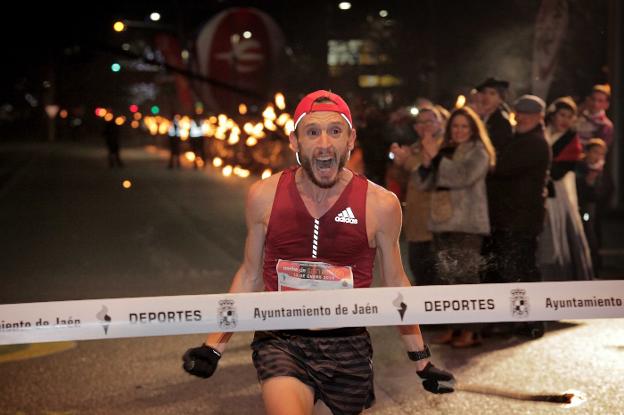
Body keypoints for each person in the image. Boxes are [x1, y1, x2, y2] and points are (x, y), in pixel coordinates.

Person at [182, 90, 455, 415]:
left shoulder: (380, 204)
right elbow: (250, 274)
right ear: (295, 141)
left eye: (335, 131)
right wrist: (214, 346)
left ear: (351, 139)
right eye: (312, 132)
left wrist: (421, 361)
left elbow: (396, 283)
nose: (324, 143)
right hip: (281, 339)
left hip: (347, 345)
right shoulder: (263, 195)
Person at [414, 106, 496, 348]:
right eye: (456, 126)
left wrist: (437, 159)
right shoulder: (445, 149)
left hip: (467, 223)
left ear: (473, 129)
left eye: (464, 126)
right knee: (447, 278)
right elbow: (426, 182)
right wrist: (427, 165)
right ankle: (452, 327)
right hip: (442, 220)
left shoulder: (479, 151)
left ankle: (471, 332)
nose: (459, 131)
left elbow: (462, 176)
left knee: (466, 278)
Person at [484, 94, 551, 338]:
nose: (521, 117)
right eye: (520, 113)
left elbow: (501, 169)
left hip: (521, 219)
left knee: (522, 271)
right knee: (515, 270)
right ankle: (521, 320)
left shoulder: (533, 143)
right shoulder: (521, 139)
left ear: (539, 117)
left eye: (528, 114)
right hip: (513, 217)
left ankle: (532, 322)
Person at [538, 97, 593, 280]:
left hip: (560, 193)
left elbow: (559, 171)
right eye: (562, 115)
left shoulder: (571, 140)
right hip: (543, 189)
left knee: (561, 230)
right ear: (553, 115)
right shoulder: (543, 133)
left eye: (570, 116)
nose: (565, 120)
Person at [390, 106, 444, 286]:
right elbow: (407, 182)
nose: (425, 126)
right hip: (415, 226)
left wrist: (407, 161)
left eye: (430, 121)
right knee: (419, 276)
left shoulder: (445, 147)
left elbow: (433, 177)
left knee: (436, 281)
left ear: (440, 123)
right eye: (421, 122)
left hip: (437, 226)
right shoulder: (414, 148)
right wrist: (398, 165)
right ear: (415, 128)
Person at [576, 138, 608, 276]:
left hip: (591, 210)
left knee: (591, 235)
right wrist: (586, 182)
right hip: (578, 207)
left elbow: (604, 192)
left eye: (601, 154)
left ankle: (593, 269)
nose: (598, 157)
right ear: (587, 152)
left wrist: (592, 185)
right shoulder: (579, 167)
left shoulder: (600, 170)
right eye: (595, 152)